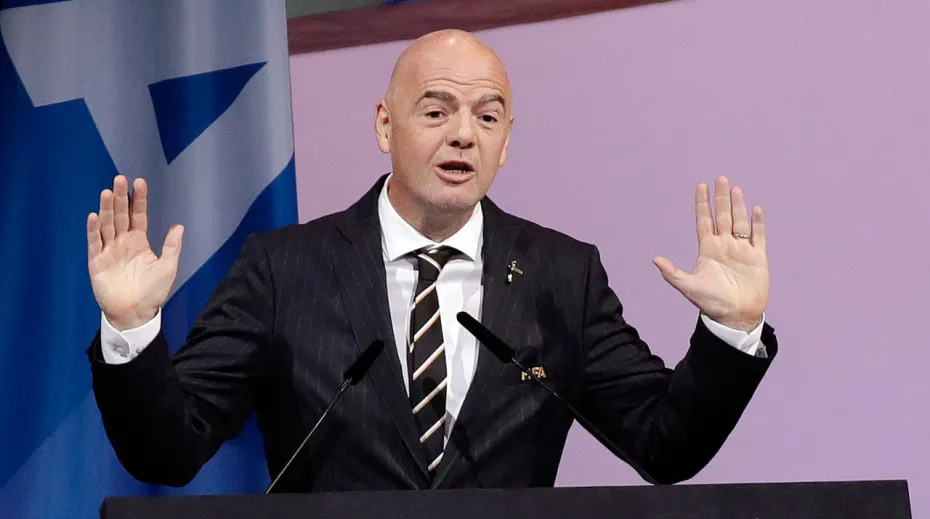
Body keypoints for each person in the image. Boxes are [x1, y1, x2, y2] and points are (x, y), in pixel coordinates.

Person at [85, 29, 776, 491]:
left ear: (507, 140)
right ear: (385, 125)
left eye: (487, 116)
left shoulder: (562, 277)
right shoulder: (282, 269)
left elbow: (663, 446)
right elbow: (169, 452)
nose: (464, 136)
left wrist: (731, 333)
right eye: (437, 111)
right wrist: (132, 331)